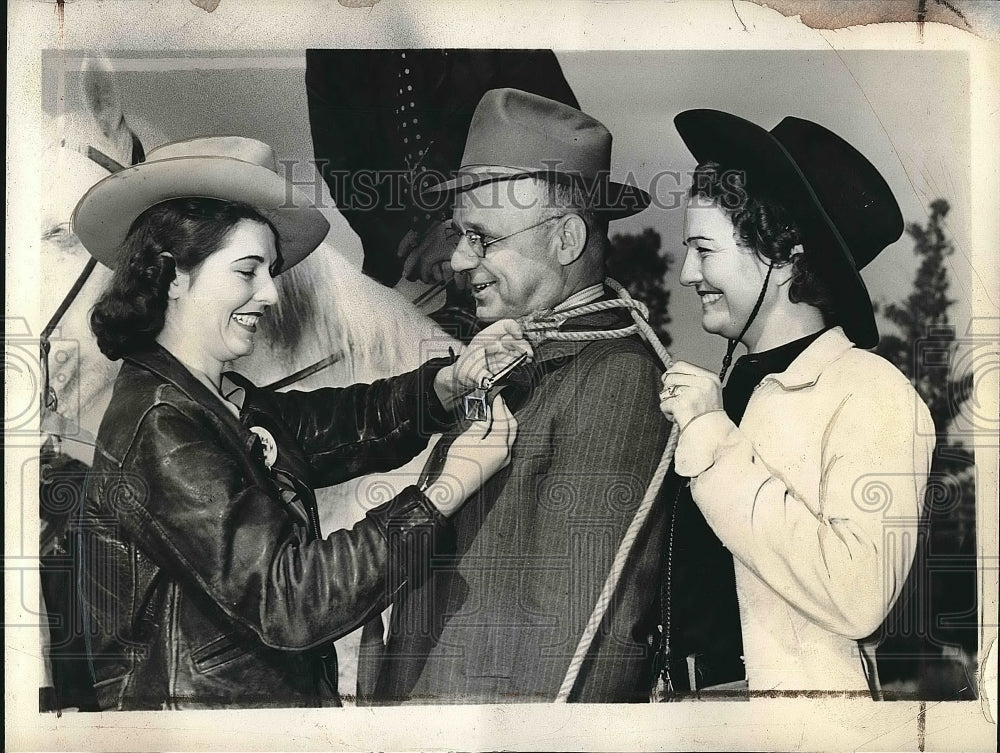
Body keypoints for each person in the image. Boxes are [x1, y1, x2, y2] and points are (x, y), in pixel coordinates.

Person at [71, 136, 524, 710]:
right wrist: (444, 490)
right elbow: (292, 598)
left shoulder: (213, 399)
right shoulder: (164, 425)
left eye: (272, 270)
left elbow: (336, 423)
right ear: (172, 277)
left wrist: (443, 387)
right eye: (246, 271)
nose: (269, 293)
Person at [366, 89, 672, 704]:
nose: (457, 259)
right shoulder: (512, 363)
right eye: (459, 236)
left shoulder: (619, 378)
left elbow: (588, 641)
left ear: (564, 239)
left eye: (481, 238)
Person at [659, 110, 935, 694]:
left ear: (782, 257)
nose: (687, 274)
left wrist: (712, 440)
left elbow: (857, 596)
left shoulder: (871, 392)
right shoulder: (725, 391)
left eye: (703, 250)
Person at [305, 49, 580, 341]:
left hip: (524, 281)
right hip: (401, 275)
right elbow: (341, 169)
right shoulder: (334, 45)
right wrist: (411, 245)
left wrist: (463, 235)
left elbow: (561, 155)